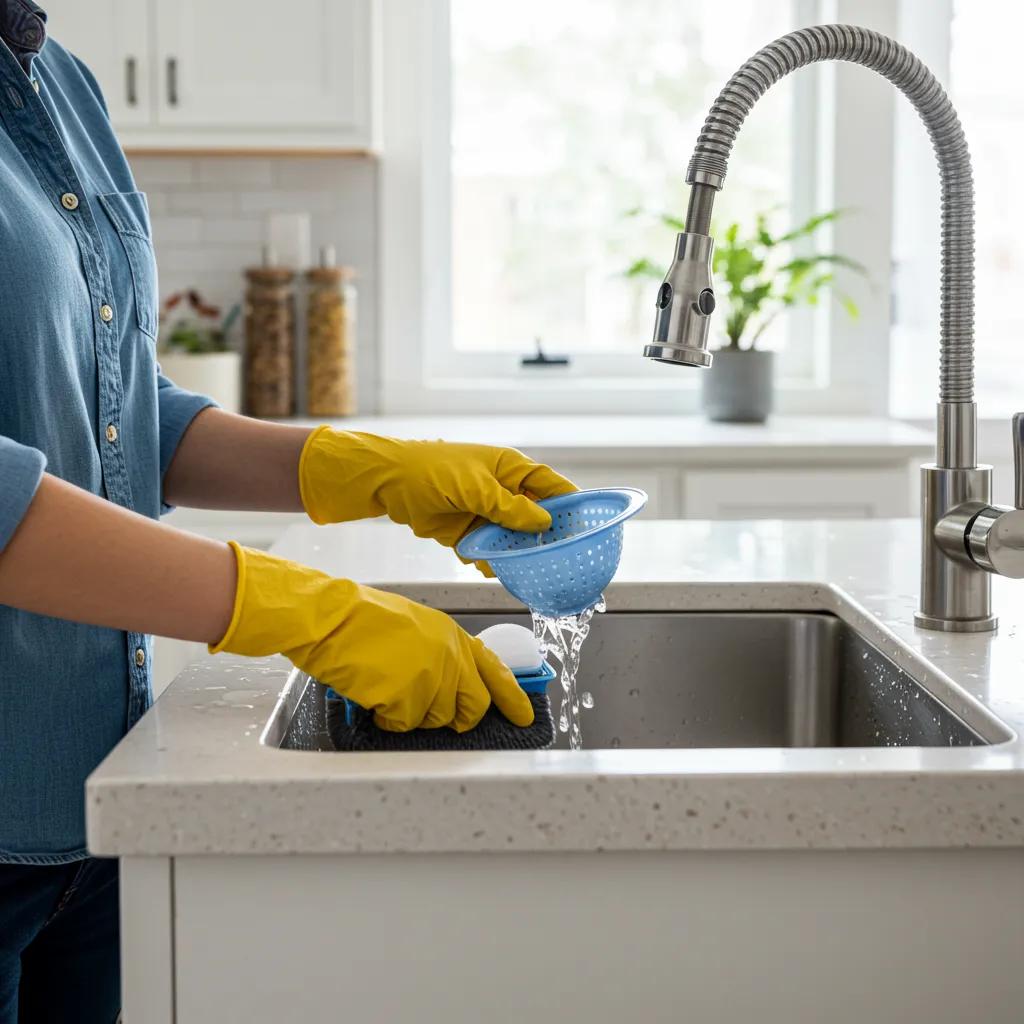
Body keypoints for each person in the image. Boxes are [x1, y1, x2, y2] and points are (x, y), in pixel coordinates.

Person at [0, 4, 574, 1020]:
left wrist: (358, 466)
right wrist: (302, 609)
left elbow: (118, 412)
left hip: (93, 815)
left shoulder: (56, 83)